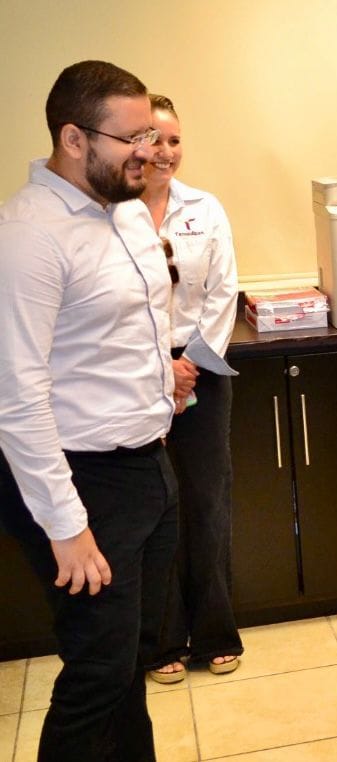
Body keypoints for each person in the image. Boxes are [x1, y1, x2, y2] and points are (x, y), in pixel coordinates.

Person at [0, 61, 177, 761]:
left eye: (152, 136)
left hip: (147, 464)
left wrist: (163, 376)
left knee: (133, 656)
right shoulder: (28, 235)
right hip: (80, 480)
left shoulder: (125, 208)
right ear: (73, 138)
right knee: (98, 670)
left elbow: (130, 321)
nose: (148, 153)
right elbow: (16, 396)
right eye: (132, 139)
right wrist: (66, 525)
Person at [139, 94, 243, 683]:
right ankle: (160, 643)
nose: (166, 151)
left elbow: (223, 294)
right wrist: (161, 371)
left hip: (201, 369)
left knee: (207, 503)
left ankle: (214, 634)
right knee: (155, 507)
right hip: (134, 376)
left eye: (174, 140)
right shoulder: (110, 211)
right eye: (154, 139)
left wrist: (189, 369)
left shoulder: (205, 208)